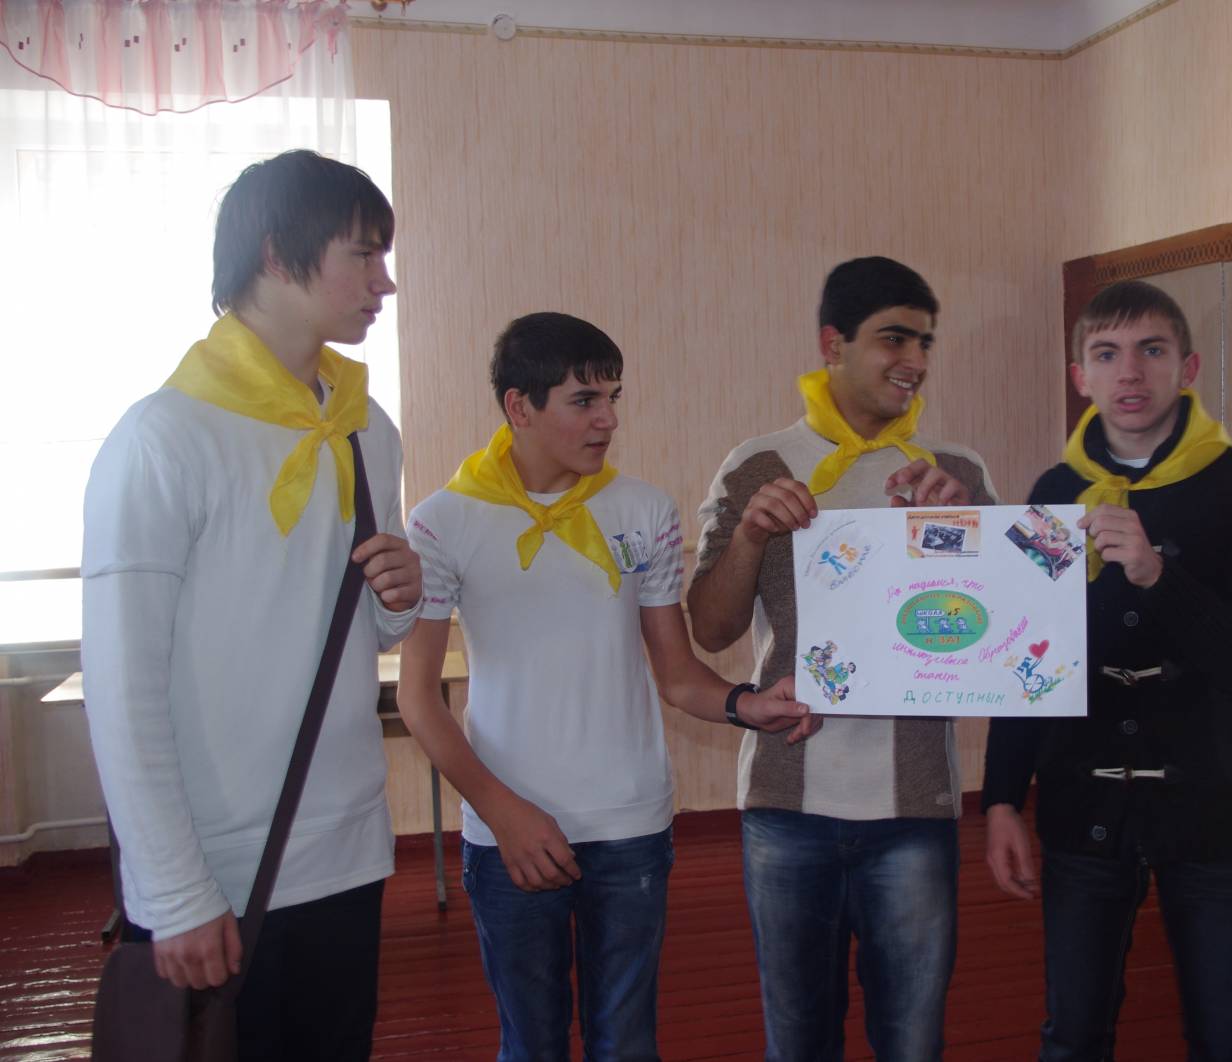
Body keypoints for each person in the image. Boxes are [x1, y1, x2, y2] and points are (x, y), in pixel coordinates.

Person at [398, 311, 816, 1062]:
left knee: (626, 1043)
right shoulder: (442, 522)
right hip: (507, 831)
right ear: (520, 407)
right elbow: (418, 698)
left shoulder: (644, 511)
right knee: (532, 1044)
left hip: (630, 824)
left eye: (613, 398)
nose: (609, 420)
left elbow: (677, 675)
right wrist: (504, 813)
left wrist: (745, 704)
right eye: (585, 400)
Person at [82, 149, 421, 1061]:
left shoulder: (366, 429)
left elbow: (365, 634)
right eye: (363, 254)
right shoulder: (163, 438)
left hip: (346, 850)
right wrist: (172, 890)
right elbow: (121, 690)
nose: (384, 283)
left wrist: (401, 594)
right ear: (276, 254)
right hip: (217, 868)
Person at [982, 279, 1232, 1061]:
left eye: (1151, 350)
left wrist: (1159, 576)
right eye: (1107, 354)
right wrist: (1000, 799)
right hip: (1084, 803)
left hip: (1214, 805)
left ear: (1187, 368)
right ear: (1079, 376)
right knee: (1073, 1035)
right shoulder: (1056, 494)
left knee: (1227, 1039)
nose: (1129, 372)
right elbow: (1026, 658)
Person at [688, 257, 998, 1060]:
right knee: (799, 1040)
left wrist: (967, 530)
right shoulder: (758, 465)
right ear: (833, 344)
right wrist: (751, 534)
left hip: (916, 807)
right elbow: (711, 629)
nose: (915, 360)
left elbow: (998, 638)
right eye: (894, 338)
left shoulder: (955, 473)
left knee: (912, 1041)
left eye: (925, 342)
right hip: (787, 804)